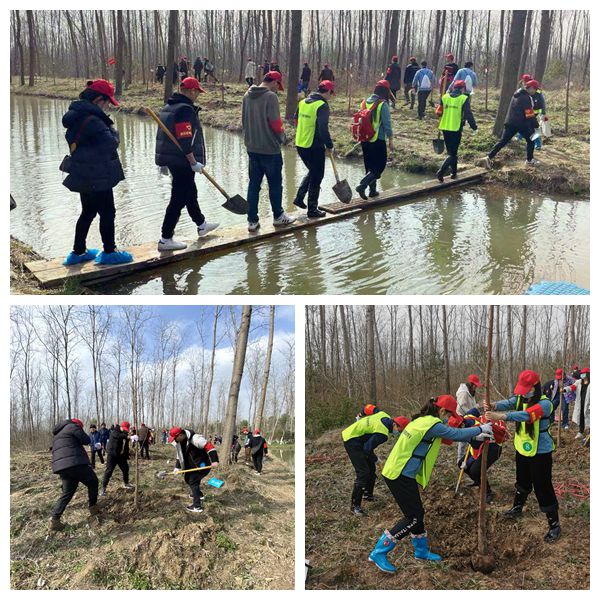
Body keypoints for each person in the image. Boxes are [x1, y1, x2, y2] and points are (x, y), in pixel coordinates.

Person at [368, 396, 493, 572]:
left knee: (417, 513)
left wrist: (475, 436)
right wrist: (479, 428)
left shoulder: (422, 421)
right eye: (448, 416)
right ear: (442, 411)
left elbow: (448, 439)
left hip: (399, 471)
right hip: (399, 474)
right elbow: (454, 434)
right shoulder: (433, 424)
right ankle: (379, 551)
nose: (448, 419)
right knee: (413, 517)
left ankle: (421, 551)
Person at [61, 80, 133, 267]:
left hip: (84, 173)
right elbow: (111, 143)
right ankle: (109, 252)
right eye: (108, 102)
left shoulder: (77, 115)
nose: (109, 106)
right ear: (99, 100)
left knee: (88, 211)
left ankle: (78, 252)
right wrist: (112, 128)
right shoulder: (94, 120)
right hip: (97, 175)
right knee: (108, 212)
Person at [485, 370, 561, 542]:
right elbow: (510, 402)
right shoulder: (521, 398)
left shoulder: (545, 404)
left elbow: (527, 416)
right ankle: (517, 507)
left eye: (527, 389)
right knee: (522, 479)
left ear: (535, 387)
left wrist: (503, 416)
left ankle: (554, 525)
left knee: (543, 486)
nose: (524, 393)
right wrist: (494, 405)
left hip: (540, 451)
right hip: (522, 447)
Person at [155, 76, 219, 251]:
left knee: (190, 192)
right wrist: (193, 162)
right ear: (191, 91)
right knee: (178, 198)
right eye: (197, 92)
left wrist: (163, 161)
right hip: (182, 160)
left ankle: (201, 224)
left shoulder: (169, 106)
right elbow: (185, 138)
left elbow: (163, 136)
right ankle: (166, 238)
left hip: (174, 159)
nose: (198, 95)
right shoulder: (185, 110)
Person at [242, 71, 296, 232]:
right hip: (270, 149)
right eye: (277, 85)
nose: (277, 89)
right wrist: (283, 138)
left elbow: (243, 121)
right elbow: (275, 123)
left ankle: (252, 221)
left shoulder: (246, 95)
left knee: (253, 185)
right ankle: (278, 217)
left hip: (252, 147)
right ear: (274, 82)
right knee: (275, 185)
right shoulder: (270, 97)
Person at [341, 406, 408, 516]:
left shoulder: (384, 415)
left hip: (358, 438)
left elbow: (370, 407)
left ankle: (368, 495)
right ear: (395, 425)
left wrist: (360, 415)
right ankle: (355, 506)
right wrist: (376, 460)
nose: (399, 434)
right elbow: (367, 449)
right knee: (363, 472)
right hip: (352, 440)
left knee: (371, 468)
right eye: (400, 431)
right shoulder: (382, 434)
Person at [293, 80, 335, 219]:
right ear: (327, 91)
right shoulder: (322, 105)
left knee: (313, 172)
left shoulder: (303, 102)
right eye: (331, 93)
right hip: (314, 146)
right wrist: (329, 145)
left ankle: (299, 198)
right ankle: (312, 210)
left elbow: (295, 120)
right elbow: (323, 129)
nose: (330, 96)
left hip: (300, 143)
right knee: (317, 176)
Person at [50, 418, 100, 531]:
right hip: (75, 463)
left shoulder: (58, 434)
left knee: (67, 493)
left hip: (62, 467)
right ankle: (93, 508)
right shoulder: (73, 427)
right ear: (78, 425)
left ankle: (55, 519)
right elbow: (86, 440)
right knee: (93, 481)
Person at [483, 79, 541, 168]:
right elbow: (529, 114)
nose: (535, 91)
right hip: (521, 124)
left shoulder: (516, 94)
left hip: (510, 122)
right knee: (531, 140)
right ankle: (529, 160)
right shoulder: (526, 97)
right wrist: (536, 125)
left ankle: (488, 157)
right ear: (531, 88)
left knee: (503, 141)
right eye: (535, 89)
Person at [457, 408, 506, 503]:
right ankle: (478, 481)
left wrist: (476, 436)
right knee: (461, 464)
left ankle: (487, 492)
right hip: (475, 449)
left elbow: (501, 436)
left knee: (475, 470)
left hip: (492, 448)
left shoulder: (481, 425)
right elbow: (462, 440)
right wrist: (460, 456)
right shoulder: (467, 421)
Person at [355, 80, 393, 200]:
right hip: (378, 139)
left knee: (370, 166)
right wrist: (391, 139)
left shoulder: (364, 102)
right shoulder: (383, 104)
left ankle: (372, 191)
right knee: (379, 166)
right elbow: (387, 124)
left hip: (364, 139)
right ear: (386, 91)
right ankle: (363, 185)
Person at [169, 426, 219, 513]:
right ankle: (199, 494)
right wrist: (177, 467)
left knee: (193, 481)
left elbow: (210, 446)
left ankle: (197, 506)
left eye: (175, 438)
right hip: (191, 466)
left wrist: (214, 460)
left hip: (202, 465)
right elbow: (179, 455)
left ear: (180, 435)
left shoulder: (195, 439)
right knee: (187, 478)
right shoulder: (179, 442)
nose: (175, 440)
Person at [436, 79, 477, 182]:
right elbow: (468, 114)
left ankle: (454, 173)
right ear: (462, 89)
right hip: (455, 128)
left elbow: (439, 112)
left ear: (454, 88)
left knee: (452, 152)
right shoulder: (464, 98)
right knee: (452, 154)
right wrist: (474, 126)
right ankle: (441, 171)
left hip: (445, 127)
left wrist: (440, 109)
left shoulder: (444, 97)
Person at [101, 421, 134, 496]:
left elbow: (125, 445)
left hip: (121, 456)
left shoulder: (124, 433)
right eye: (124, 428)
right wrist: (128, 437)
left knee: (125, 468)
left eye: (126, 429)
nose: (125, 430)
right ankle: (103, 488)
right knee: (109, 471)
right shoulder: (114, 431)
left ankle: (126, 483)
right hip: (112, 455)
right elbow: (119, 436)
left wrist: (127, 454)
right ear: (121, 426)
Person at [455, 374, 482, 463]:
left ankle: (469, 456)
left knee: (471, 437)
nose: (476, 387)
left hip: (470, 417)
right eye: (475, 386)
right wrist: (472, 413)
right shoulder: (463, 393)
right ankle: (459, 460)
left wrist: (478, 407)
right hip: (463, 418)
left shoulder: (471, 393)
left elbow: (471, 405)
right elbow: (460, 408)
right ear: (471, 384)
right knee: (463, 439)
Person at [565, 368, 590, 440]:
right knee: (581, 417)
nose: (582, 375)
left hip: (589, 404)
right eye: (581, 374)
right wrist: (565, 389)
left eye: (584, 373)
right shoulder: (579, 382)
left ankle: (589, 433)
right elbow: (572, 387)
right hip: (580, 403)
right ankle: (581, 432)